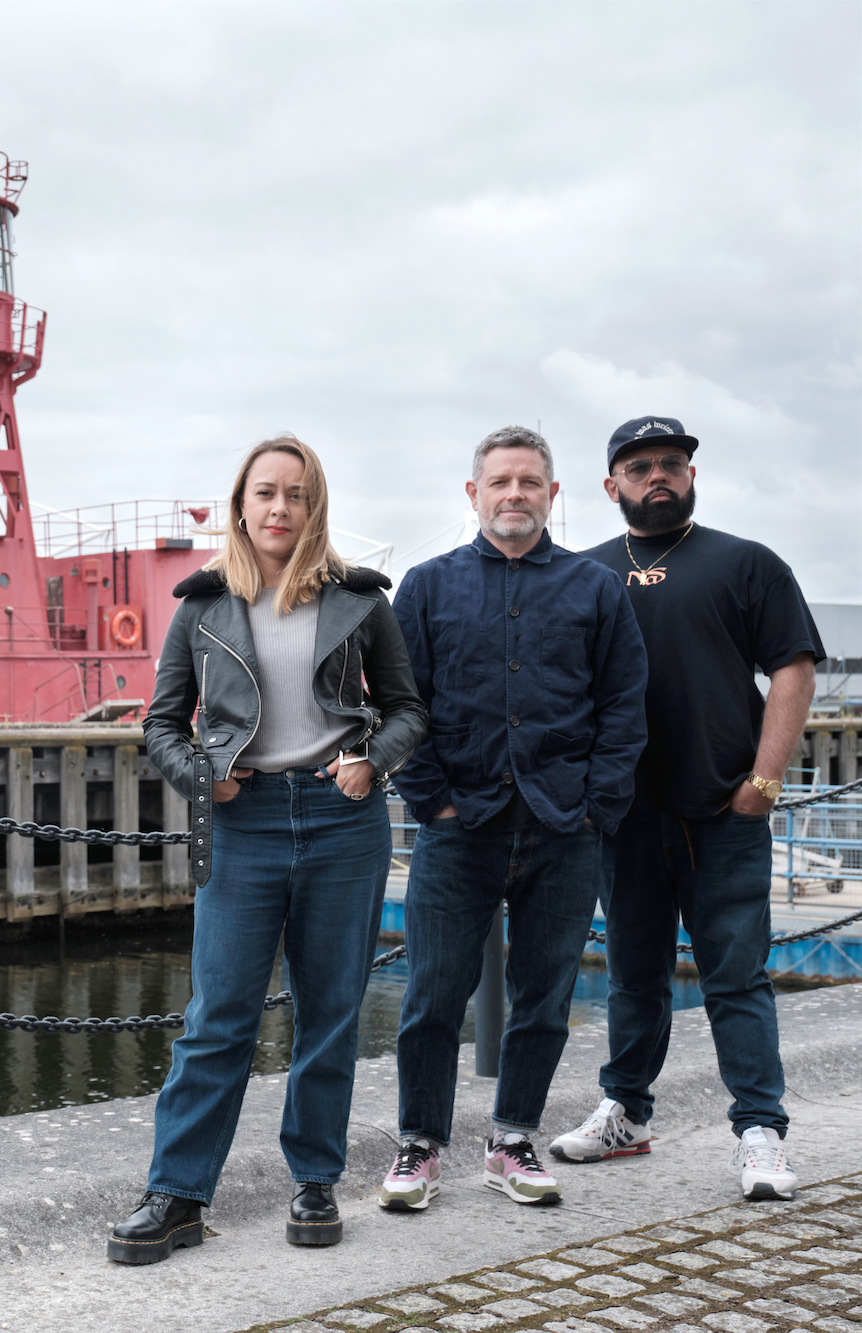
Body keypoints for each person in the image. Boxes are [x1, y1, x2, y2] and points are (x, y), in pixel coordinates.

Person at [114, 433, 426, 1263]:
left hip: (341, 819)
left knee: (329, 1013)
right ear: (241, 506)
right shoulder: (202, 604)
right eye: (265, 493)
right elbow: (159, 723)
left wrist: (372, 764)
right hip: (242, 821)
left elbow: (406, 710)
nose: (279, 507)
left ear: (313, 505)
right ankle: (177, 1194)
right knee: (218, 1017)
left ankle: (316, 1181)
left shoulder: (362, 600)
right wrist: (201, 777)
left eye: (295, 493)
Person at [550, 417, 823, 1201]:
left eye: (672, 462)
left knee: (736, 976)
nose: (657, 475)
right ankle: (626, 1114)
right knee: (635, 974)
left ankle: (761, 1132)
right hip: (623, 814)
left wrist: (763, 783)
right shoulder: (585, 573)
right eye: (639, 467)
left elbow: (793, 671)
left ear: (693, 475)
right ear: (613, 486)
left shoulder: (748, 563)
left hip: (722, 812)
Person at [380, 426, 647, 1213]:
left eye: (530, 482)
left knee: (544, 994)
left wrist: (598, 804)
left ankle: (512, 1139)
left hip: (564, 826)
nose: (515, 494)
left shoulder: (596, 589)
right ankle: (420, 1145)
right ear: (474, 493)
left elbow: (624, 705)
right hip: (459, 827)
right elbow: (400, 703)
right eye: (500, 481)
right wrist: (433, 799)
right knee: (431, 992)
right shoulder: (425, 588)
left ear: (552, 495)